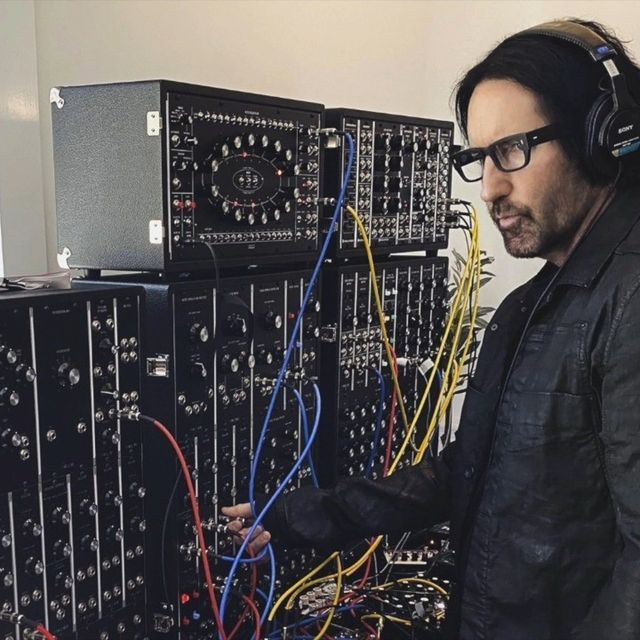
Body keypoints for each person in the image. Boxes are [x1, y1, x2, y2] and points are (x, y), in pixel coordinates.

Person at [223, 18, 640, 640]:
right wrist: (295, 516)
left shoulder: (629, 297)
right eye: (478, 159)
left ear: (602, 137)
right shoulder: (537, 302)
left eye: (511, 151)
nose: (492, 188)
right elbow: (466, 470)